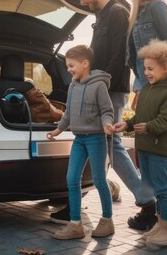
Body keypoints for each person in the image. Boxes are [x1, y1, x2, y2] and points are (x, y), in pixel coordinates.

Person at [49, 0, 159, 231]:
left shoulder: (117, 13)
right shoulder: (102, 16)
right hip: (100, 86)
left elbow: (120, 56)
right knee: (101, 145)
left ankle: (148, 202)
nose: (81, 0)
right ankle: (76, 202)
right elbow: (96, 56)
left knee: (112, 146)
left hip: (110, 89)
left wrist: (98, 85)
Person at [113, 39, 167, 247]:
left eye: (151, 68)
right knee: (152, 188)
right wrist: (126, 124)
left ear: (166, 68)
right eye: (145, 68)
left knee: (162, 189)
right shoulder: (148, 91)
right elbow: (140, 116)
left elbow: (165, 121)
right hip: (145, 148)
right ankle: (160, 225)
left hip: (160, 150)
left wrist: (149, 127)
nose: (146, 73)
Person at [47, 45, 116, 240]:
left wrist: (107, 124)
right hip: (79, 140)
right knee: (71, 179)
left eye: (71, 65)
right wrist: (58, 129)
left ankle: (107, 220)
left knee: (100, 181)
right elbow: (68, 113)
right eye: (67, 66)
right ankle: (75, 224)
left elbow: (106, 111)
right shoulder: (73, 86)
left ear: (85, 63)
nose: (68, 69)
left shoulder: (99, 85)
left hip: (96, 139)